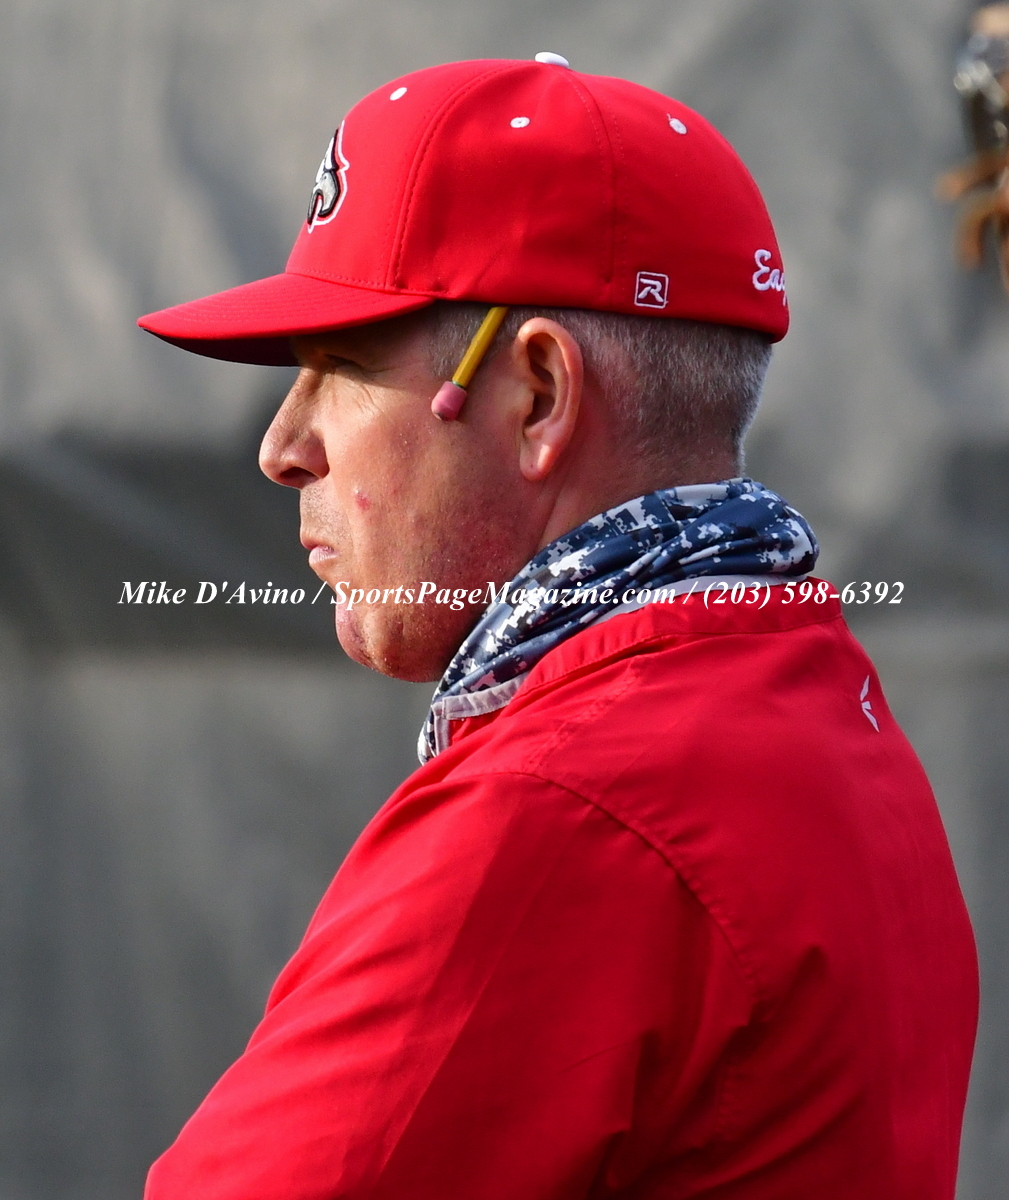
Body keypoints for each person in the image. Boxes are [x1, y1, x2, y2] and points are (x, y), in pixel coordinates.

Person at [138, 55, 978, 1200]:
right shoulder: (821, 705)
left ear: (536, 395)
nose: (281, 447)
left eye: (339, 366)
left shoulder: (565, 807)